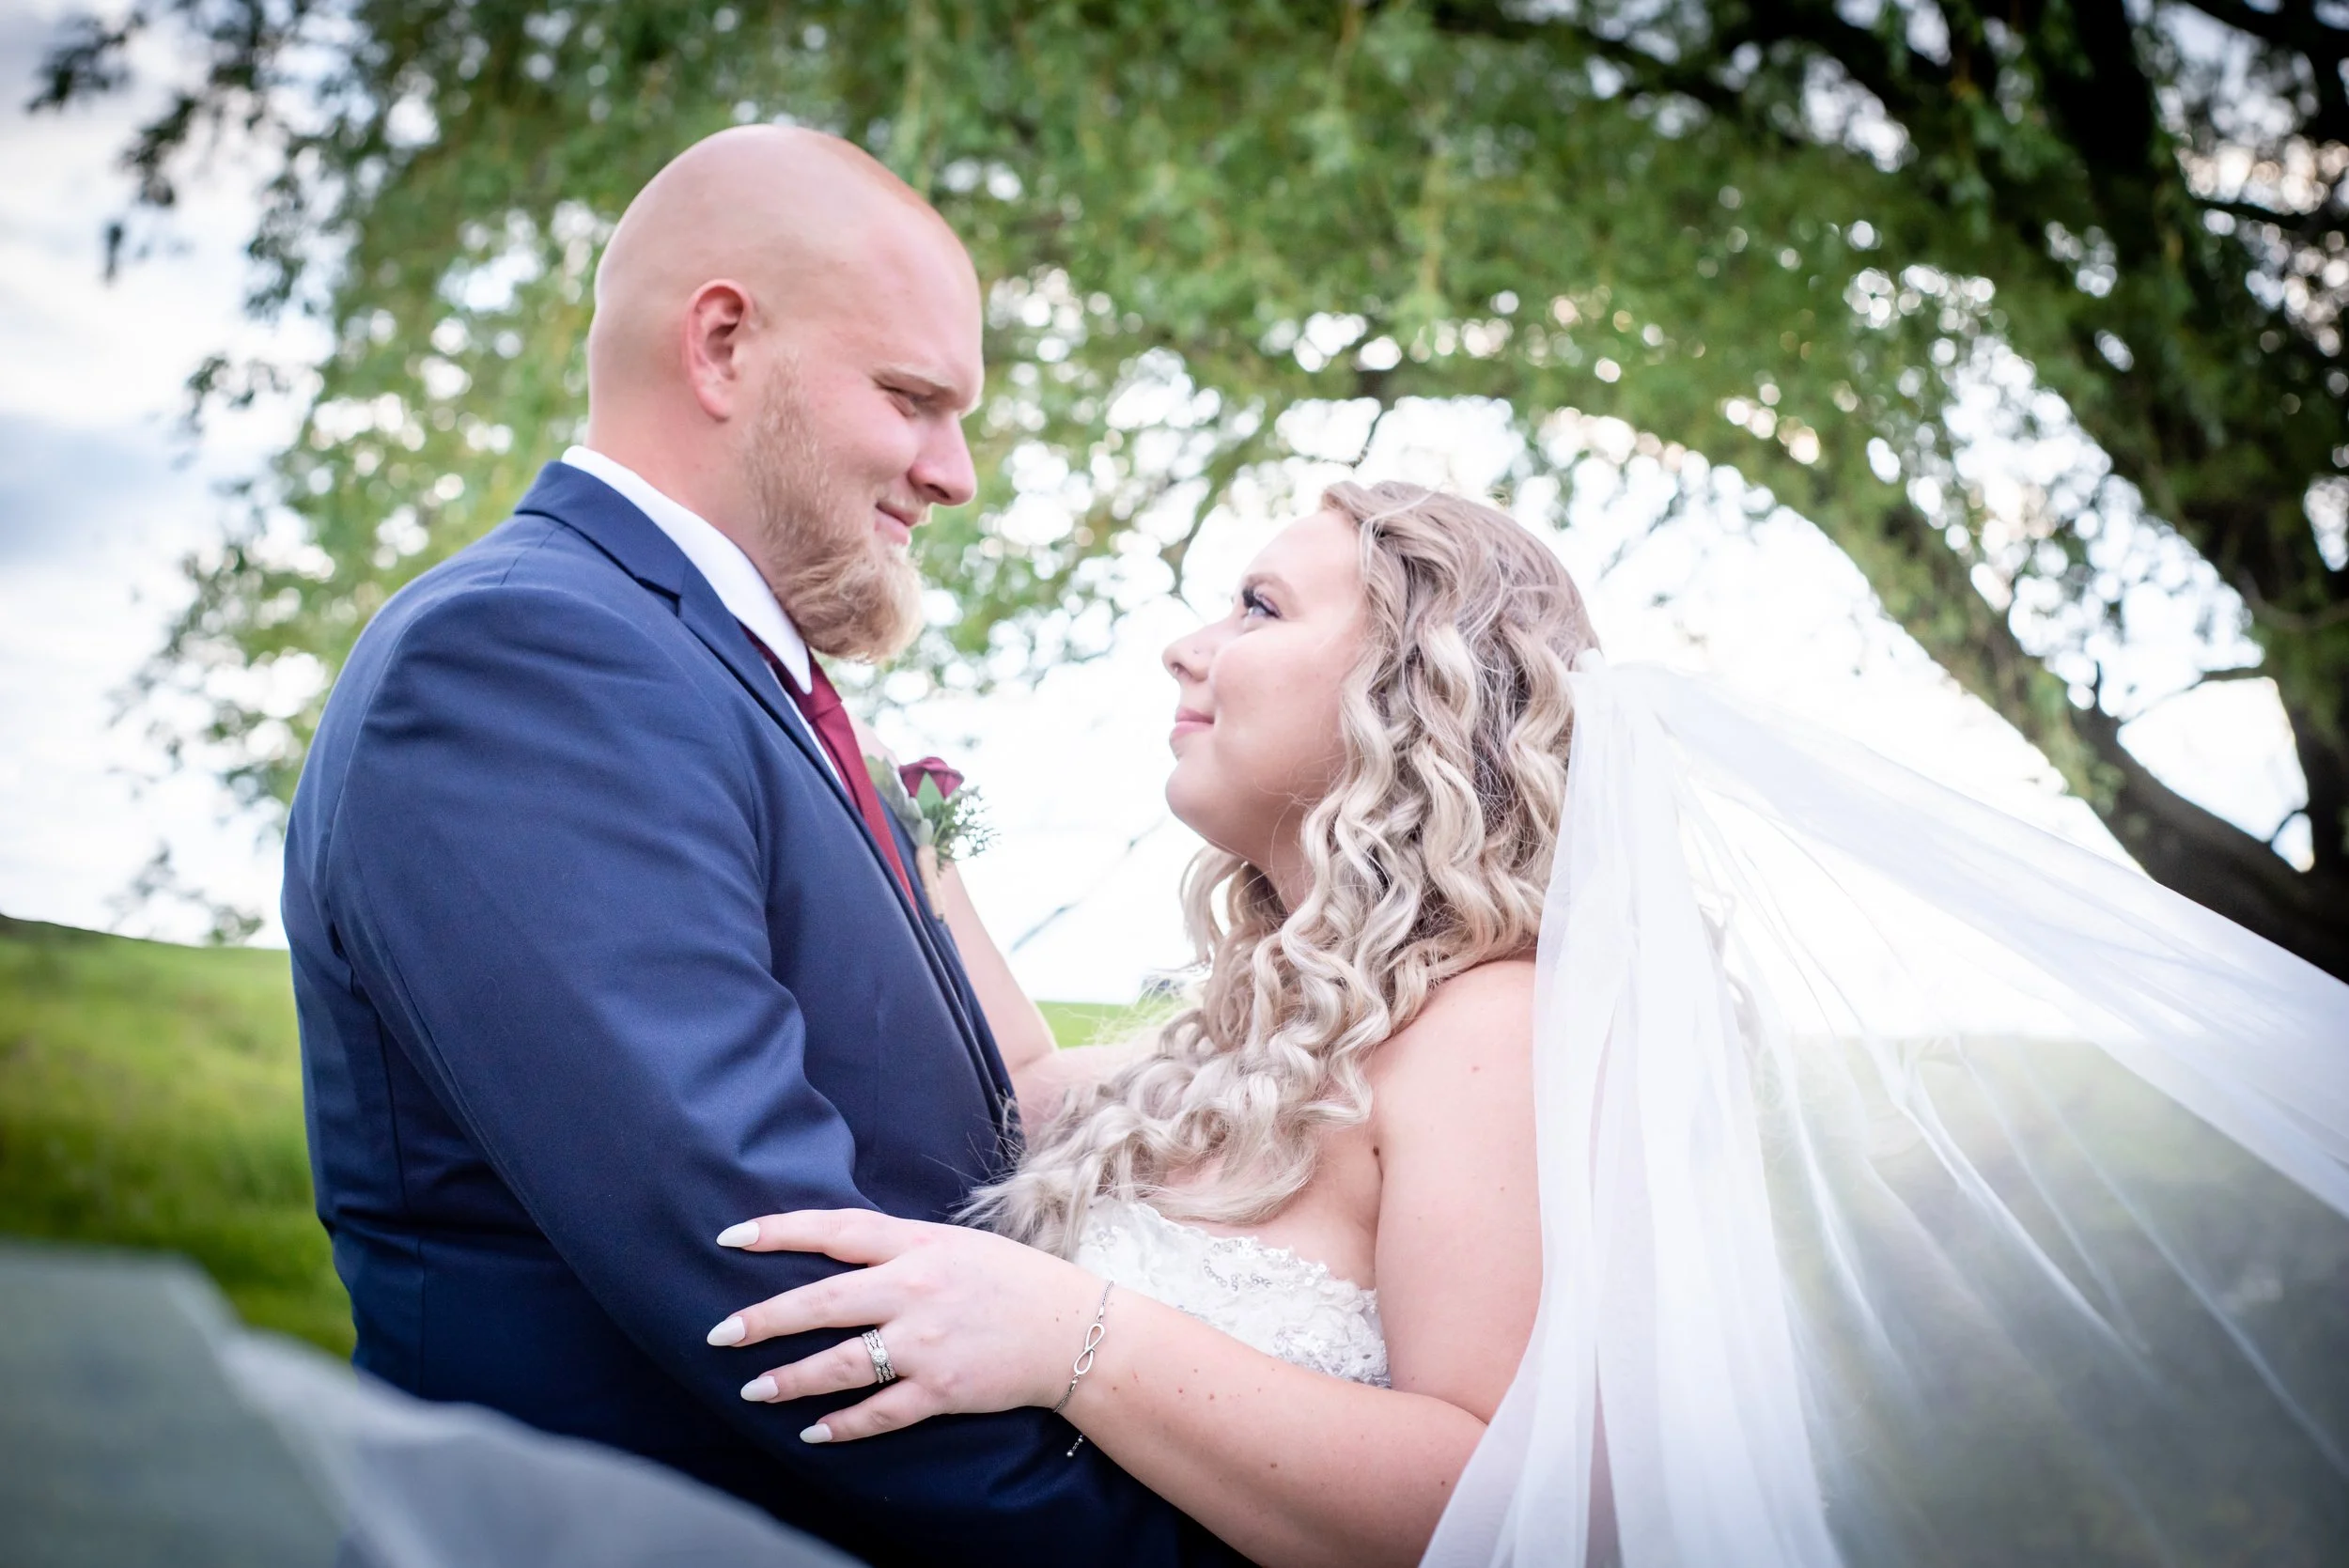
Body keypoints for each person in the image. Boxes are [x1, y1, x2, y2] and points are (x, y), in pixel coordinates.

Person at [706, 481, 2349, 1566]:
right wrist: (894, 817)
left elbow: (1503, 1499)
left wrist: (1076, 1343)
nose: (1185, 648)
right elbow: (1032, 1090)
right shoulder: (1263, 1023)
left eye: (1259, 609)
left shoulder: (1491, 1031)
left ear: (1406, 691)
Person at [280, 126, 1243, 1567]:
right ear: (723, 346)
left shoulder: (708, 672)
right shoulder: (525, 659)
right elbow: (775, 1282)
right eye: (913, 399)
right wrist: (1185, 1545)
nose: (955, 474)